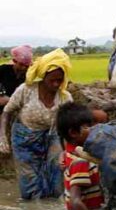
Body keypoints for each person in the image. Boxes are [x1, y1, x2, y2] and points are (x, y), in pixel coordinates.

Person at [0, 49, 72, 199]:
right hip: (23, 138)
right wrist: (3, 138)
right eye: (52, 80)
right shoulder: (26, 90)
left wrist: (68, 150)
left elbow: (68, 125)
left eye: (60, 80)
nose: (56, 84)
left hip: (52, 136)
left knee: (57, 173)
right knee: (30, 182)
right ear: (43, 76)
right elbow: (7, 111)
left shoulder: (65, 98)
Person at [57, 102, 116, 210]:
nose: (96, 130)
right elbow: (76, 201)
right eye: (90, 126)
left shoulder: (78, 153)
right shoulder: (80, 161)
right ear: (74, 133)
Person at [0, 45, 34, 152]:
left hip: (12, 103)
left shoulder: (26, 76)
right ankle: (2, 138)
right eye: (22, 65)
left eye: (26, 66)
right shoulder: (3, 70)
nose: (24, 68)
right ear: (14, 61)